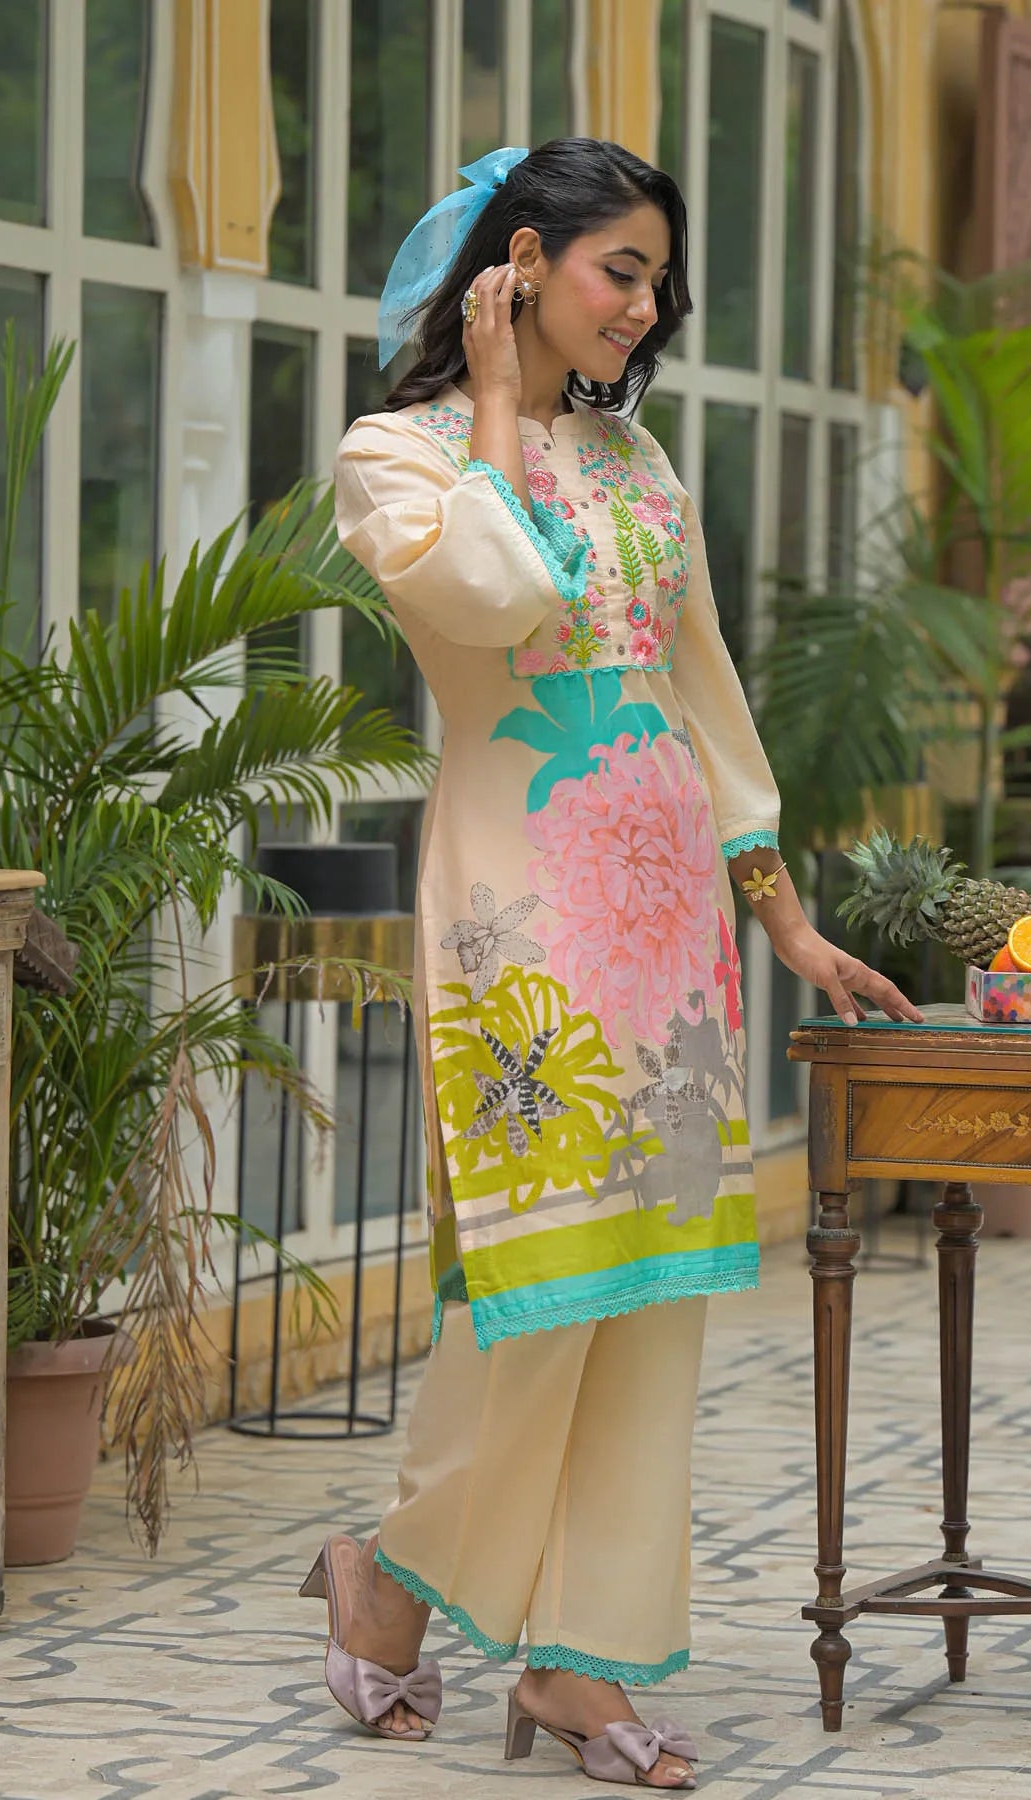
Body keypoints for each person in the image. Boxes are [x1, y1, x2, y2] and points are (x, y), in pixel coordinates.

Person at [310, 137, 921, 1789]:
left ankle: (577, 1663)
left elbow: (702, 685)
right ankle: (393, 1573)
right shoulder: (399, 454)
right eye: (620, 272)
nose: (646, 312)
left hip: (669, 918)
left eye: (659, 283)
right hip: (526, 904)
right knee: (537, 1283)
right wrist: (502, 404)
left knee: (643, 1294)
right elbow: (498, 605)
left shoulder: (642, 467)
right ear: (518, 264)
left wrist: (780, 907)